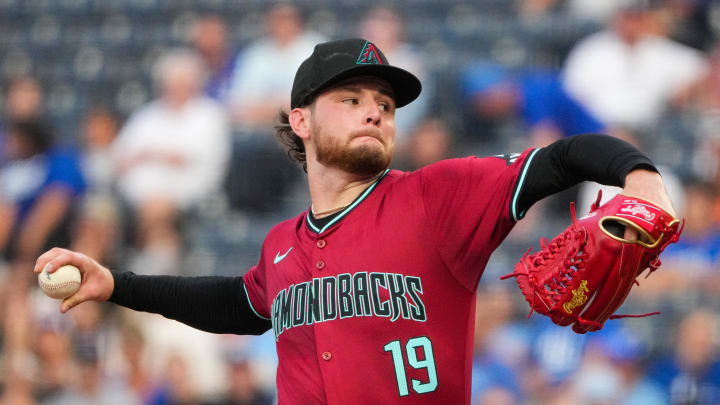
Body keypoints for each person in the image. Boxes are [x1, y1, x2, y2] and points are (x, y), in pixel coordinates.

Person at [34, 38, 678, 405]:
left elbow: (563, 156)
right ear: (301, 121)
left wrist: (640, 174)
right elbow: (240, 304)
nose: (375, 111)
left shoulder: (438, 197)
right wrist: (116, 284)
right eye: (351, 99)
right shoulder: (281, 245)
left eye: (385, 104)